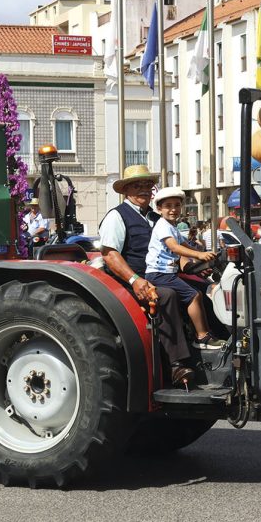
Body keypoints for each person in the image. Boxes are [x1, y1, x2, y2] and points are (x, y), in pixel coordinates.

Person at [98, 165, 197, 386]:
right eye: (137, 185)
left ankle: (206, 343)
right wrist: (134, 280)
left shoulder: (156, 217)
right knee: (167, 296)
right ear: (126, 190)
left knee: (201, 290)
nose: (143, 189)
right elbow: (110, 255)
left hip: (161, 275)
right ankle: (177, 365)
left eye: (147, 185)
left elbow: (174, 248)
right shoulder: (116, 216)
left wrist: (193, 264)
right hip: (130, 282)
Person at [145, 187, 223, 362]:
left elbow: (186, 245)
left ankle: (211, 332)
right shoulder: (162, 226)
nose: (173, 209)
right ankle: (202, 337)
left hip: (167, 273)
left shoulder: (173, 227)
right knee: (193, 295)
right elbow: (174, 247)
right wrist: (199, 255)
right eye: (168, 206)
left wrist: (204, 254)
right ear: (159, 209)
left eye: (177, 205)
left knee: (204, 290)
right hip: (158, 274)